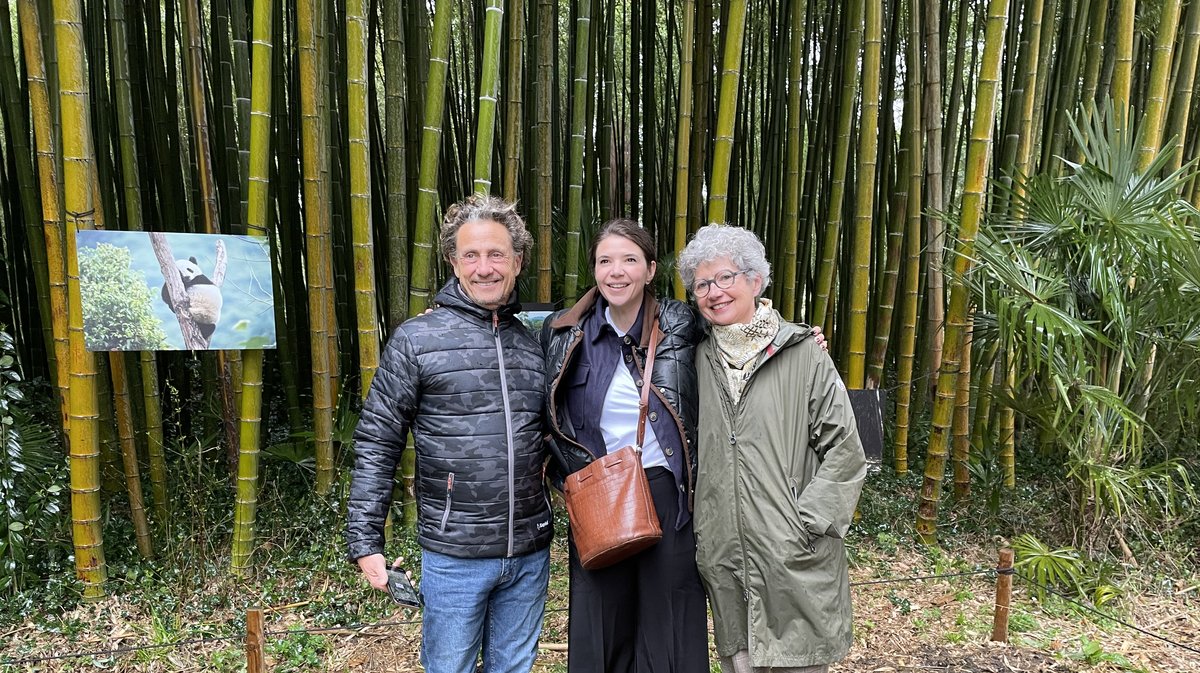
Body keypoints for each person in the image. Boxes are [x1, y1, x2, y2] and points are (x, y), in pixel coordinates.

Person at [346, 195, 553, 673]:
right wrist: (366, 541)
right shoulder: (417, 340)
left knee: (515, 666)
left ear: (517, 261)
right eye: (472, 255)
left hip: (528, 550)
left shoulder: (532, 343)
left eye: (497, 254)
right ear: (453, 261)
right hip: (454, 553)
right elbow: (379, 440)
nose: (485, 267)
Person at [676, 224, 867, 673]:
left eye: (726, 278)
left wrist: (807, 523)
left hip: (793, 555)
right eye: (702, 284)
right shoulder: (694, 357)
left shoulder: (802, 353)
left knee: (799, 662)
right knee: (740, 659)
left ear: (755, 281)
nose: (714, 292)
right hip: (726, 554)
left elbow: (844, 447)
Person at [542, 219, 710, 672]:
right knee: (600, 625)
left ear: (651, 269)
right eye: (604, 261)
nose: (616, 272)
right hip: (599, 493)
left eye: (629, 260)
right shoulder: (565, 334)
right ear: (594, 269)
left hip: (666, 491)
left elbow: (737, 332)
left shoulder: (679, 322)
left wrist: (793, 338)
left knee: (670, 624)